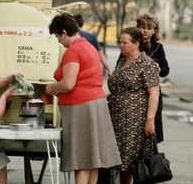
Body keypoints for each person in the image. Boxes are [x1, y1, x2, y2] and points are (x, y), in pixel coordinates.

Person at [45, 13, 121, 184]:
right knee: (93, 159)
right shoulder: (89, 47)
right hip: (96, 104)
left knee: (80, 160)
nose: (58, 40)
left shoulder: (73, 51)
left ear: (64, 32)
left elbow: (68, 84)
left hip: (79, 107)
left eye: (57, 36)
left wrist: (51, 88)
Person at [108, 27, 160, 184]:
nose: (121, 45)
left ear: (136, 44)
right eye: (120, 42)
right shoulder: (122, 61)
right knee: (118, 159)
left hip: (134, 120)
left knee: (131, 160)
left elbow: (154, 94)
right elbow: (119, 87)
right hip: (115, 117)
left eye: (125, 42)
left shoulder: (146, 64)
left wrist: (149, 120)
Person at [137, 13, 170, 143]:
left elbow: (165, 71)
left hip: (153, 93)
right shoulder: (133, 44)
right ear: (138, 27)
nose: (145, 30)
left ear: (154, 30)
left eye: (149, 28)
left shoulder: (158, 47)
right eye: (143, 27)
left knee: (152, 129)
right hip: (136, 93)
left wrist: (158, 68)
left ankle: (151, 160)